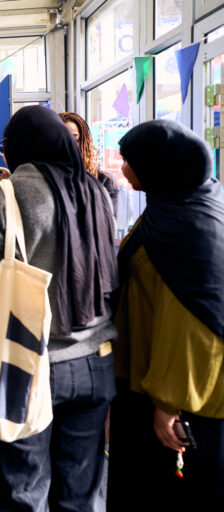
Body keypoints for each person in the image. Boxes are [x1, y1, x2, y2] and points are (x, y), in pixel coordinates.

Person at [0, 106, 118, 511]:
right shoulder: (97, 191)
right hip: (97, 365)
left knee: (22, 491)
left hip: (28, 363)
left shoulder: (6, 196)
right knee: (83, 493)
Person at [107, 120, 224, 511]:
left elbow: (192, 323)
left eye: (132, 162)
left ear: (161, 165)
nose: (123, 170)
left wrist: (169, 404)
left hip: (183, 403)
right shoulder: (174, 207)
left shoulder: (189, 227)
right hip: (152, 381)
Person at [59, 111, 119, 215]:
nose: (68, 145)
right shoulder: (42, 179)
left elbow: (108, 225)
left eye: (75, 139)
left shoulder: (104, 181)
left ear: (84, 142)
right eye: (61, 138)